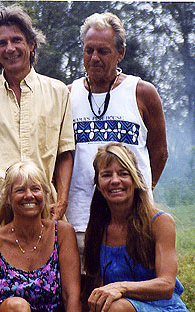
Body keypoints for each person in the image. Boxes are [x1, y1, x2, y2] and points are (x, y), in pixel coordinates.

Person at [66, 12, 168, 260]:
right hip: (80, 221)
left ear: (120, 53)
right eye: (88, 50)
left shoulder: (142, 93)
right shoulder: (66, 95)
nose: (94, 58)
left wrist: (138, 191)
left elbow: (159, 152)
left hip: (134, 222)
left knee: (133, 291)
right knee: (84, 293)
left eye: (103, 51)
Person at [0, 5, 74, 235]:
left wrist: (62, 200)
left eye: (17, 40)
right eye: (1, 43)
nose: (10, 48)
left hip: (45, 211)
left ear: (31, 43)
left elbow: (65, 152)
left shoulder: (58, 92)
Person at [83, 142, 188, 312]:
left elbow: (167, 285)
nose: (115, 181)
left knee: (116, 308)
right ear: (98, 183)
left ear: (135, 179)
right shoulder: (98, 228)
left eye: (123, 173)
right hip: (118, 308)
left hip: (165, 308)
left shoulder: (159, 222)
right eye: (106, 175)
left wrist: (121, 287)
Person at [0, 161, 81, 312]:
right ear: (8, 198)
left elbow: (71, 297)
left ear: (45, 194)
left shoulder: (61, 233)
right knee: (17, 307)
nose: (29, 195)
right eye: (20, 190)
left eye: (35, 189)